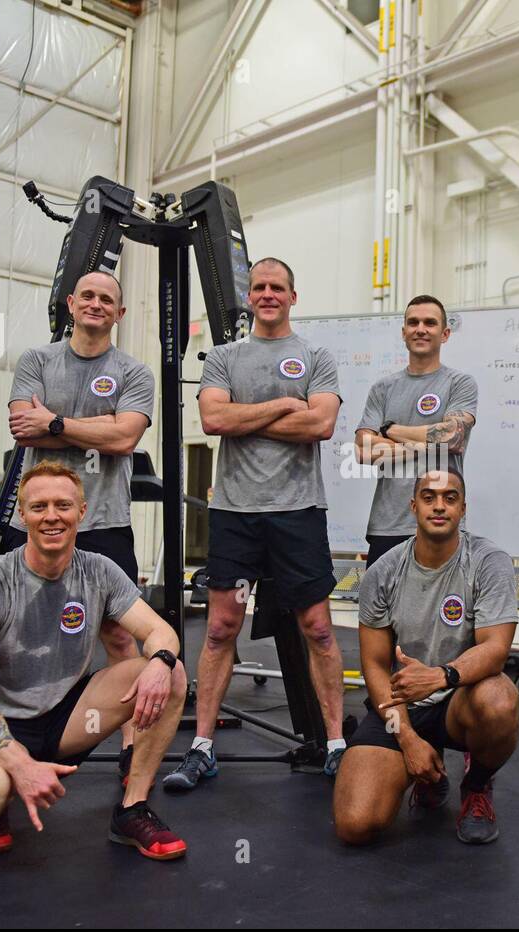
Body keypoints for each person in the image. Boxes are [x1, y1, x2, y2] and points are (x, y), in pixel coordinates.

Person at [164, 257, 347, 790]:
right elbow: (214, 419)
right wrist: (286, 404)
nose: (268, 294)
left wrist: (253, 413)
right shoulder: (224, 357)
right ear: (249, 298)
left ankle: (336, 743)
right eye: (259, 287)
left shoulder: (316, 355)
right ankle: (201, 747)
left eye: (278, 287)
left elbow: (323, 423)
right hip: (236, 515)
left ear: (294, 296)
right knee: (222, 628)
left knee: (317, 628)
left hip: (298, 513)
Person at [0, 461, 188, 859]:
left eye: (63, 505)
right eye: (39, 507)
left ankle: (132, 809)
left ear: (82, 511)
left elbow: (161, 632)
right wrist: (20, 765)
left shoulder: (99, 571)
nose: (52, 516)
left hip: (67, 719)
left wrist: (160, 662)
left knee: (173, 672)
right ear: (22, 516)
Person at [5, 270, 155, 786]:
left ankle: (132, 746)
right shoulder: (36, 361)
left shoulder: (134, 372)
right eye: (87, 296)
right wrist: (95, 427)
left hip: (105, 519)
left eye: (107, 299)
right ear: (71, 303)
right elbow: (23, 427)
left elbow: (125, 439)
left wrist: (56, 422)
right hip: (41, 516)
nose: (96, 304)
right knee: (24, 627)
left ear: (120, 312)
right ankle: (13, 732)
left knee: (119, 633)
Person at [333, 468, 519, 845]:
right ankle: (428, 774)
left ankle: (477, 786)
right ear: (413, 505)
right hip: (402, 702)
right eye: (429, 497)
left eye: (450, 498)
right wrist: (407, 738)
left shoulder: (488, 561)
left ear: (463, 509)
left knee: (499, 699)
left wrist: (440, 677)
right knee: (355, 825)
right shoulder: (383, 571)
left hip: (460, 698)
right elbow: (374, 663)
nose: (439, 506)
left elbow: (496, 649)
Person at [354, 294, 478, 565]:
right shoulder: (383, 389)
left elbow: (453, 437)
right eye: (413, 322)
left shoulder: (460, 384)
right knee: (383, 607)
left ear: (444, 334)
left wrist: (391, 430)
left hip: (442, 522)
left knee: (443, 608)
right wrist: (427, 444)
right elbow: (363, 451)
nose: (420, 329)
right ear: (404, 332)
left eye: (430, 323)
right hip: (387, 526)